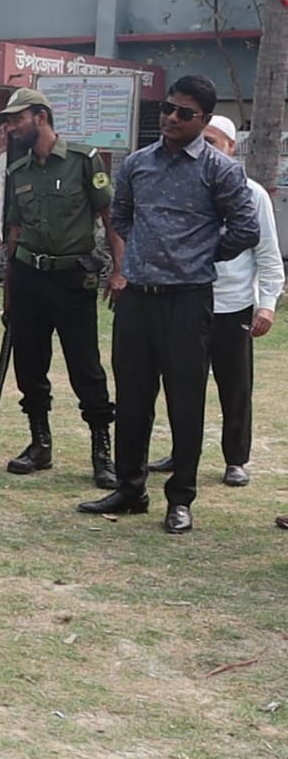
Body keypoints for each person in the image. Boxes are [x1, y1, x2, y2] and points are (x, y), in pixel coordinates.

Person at [79, 75, 259, 534]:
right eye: (167, 108)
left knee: (185, 402)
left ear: (203, 120)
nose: (171, 118)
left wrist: (199, 254)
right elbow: (120, 215)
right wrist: (143, 254)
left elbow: (245, 228)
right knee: (134, 398)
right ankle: (129, 487)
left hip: (188, 299)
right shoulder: (138, 164)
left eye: (184, 113)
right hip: (138, 298)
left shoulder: (220, 169)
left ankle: (180, 498)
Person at [146, 115, 282, 487]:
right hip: (186, 302)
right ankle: (181, 452)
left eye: (214, 142)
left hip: (232, 305)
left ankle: (235, 459)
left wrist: (267, 303)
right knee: (182, 385)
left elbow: (267, 253)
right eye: (201, 141)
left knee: (234, 387)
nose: (206, 149)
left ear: (232, 148)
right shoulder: (183, 184)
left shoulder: (250, 193)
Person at [0, 88, 120, 488]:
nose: (12, 127)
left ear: (41, 117)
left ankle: (102, 452)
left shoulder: (85, 161)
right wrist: (9, 291)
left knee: (85, 367)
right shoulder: (18, 172)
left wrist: (121, 270)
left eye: (17, 119)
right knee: (30, 365)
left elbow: (109, 218)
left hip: (73, 278)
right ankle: (39, 445)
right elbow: (14, 234)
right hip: (30, 276)